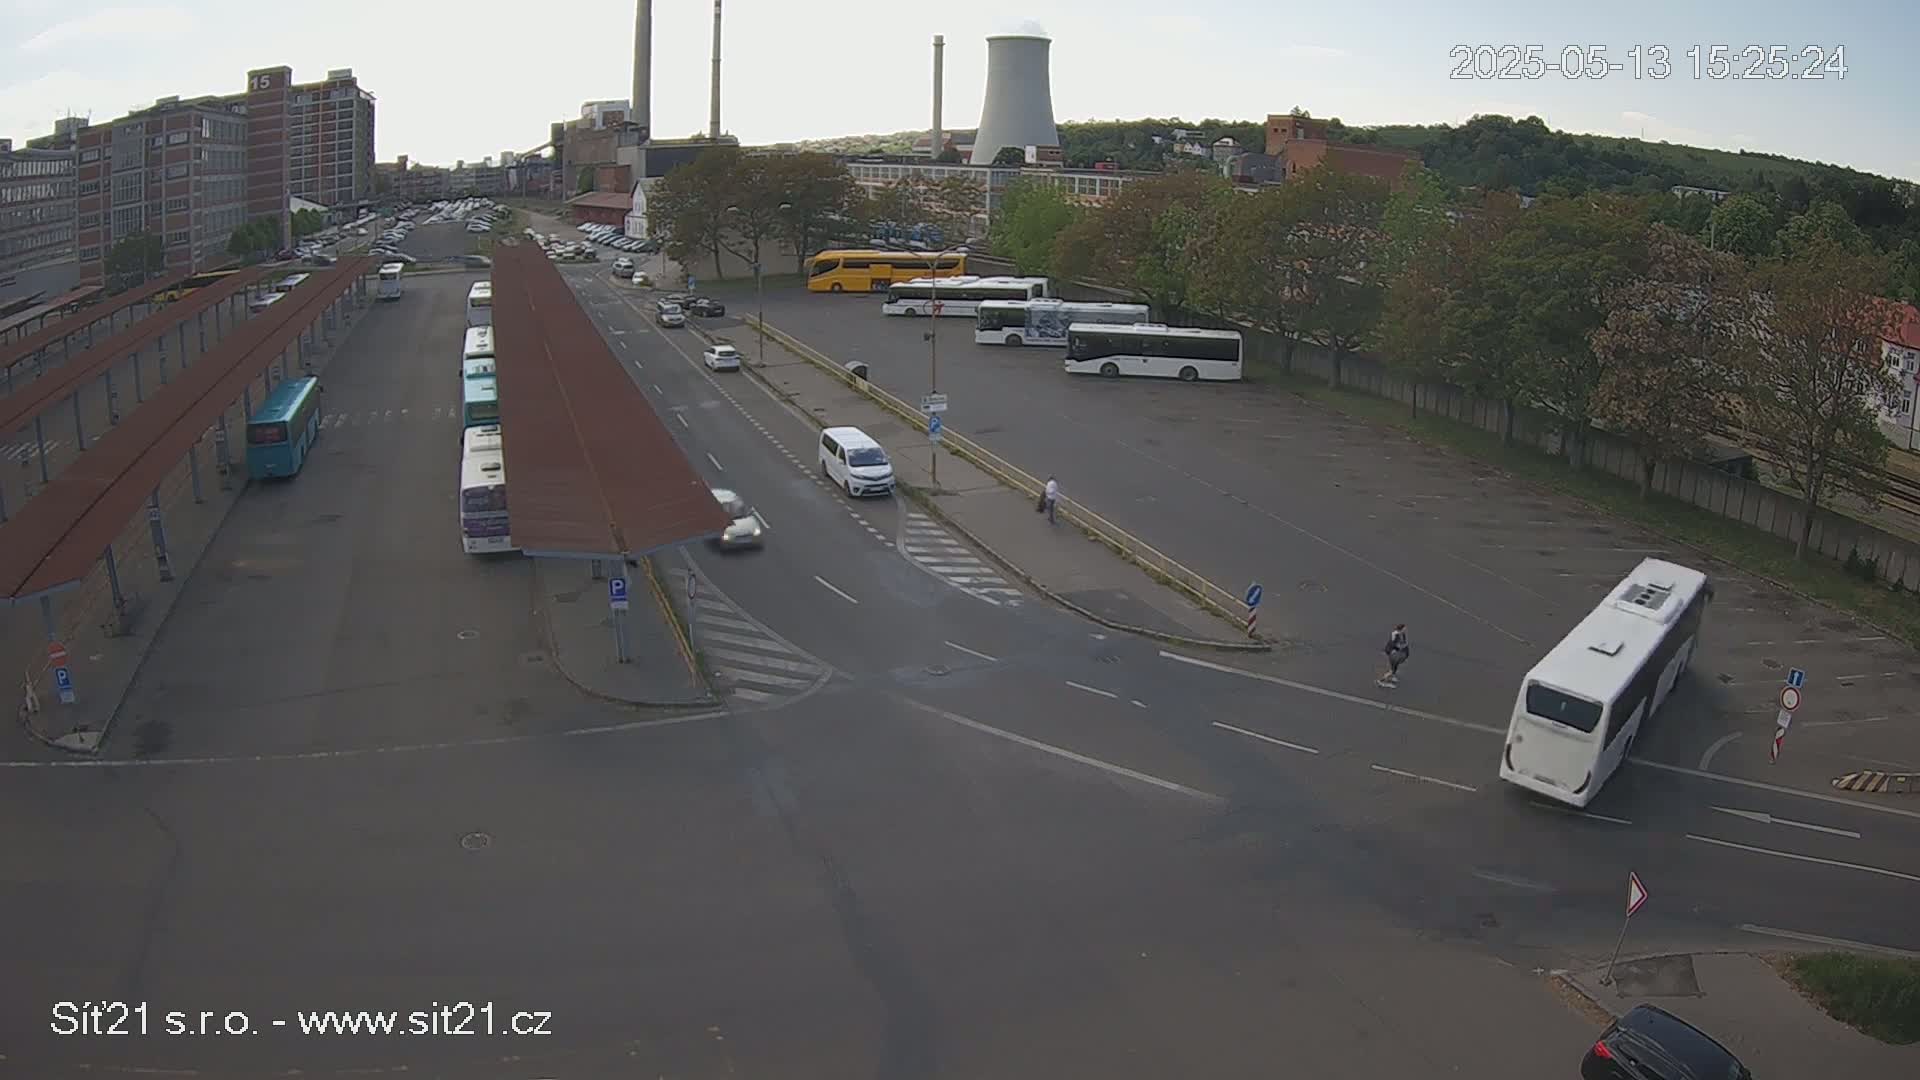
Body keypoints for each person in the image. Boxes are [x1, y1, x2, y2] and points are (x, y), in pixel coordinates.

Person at [1378, 623, 1409, 688]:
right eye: (1404, 628)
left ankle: (1392, 676)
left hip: (1397, 652)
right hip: (1393, 653)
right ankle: (1381, 681)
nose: (1405, 629)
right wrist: (1398, 648)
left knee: (1395, 666)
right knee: (1393, 669)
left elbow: (1403, 642)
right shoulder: (1395, 635)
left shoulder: (1402, 634)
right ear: (1401, 629)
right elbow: (1392, 644)